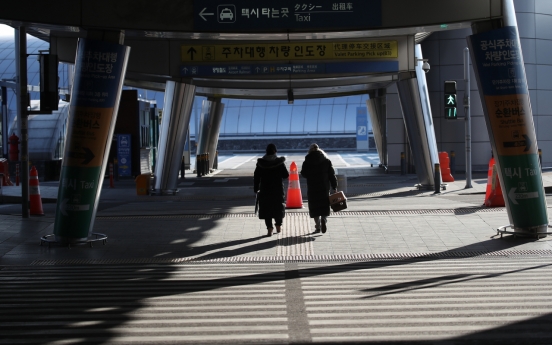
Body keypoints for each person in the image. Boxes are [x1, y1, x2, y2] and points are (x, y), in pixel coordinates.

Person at [300, 143, 337, 234]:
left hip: (312, 188)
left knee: (314, 207)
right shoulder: (326, 161)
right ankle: (324, 219)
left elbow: (303, 174)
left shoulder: (307, 161)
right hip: (324, 187)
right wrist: (334, 186)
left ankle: (317, 226)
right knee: (324, 205)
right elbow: (332, 175)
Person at [254, 143, 289, 237]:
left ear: (266, 152)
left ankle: (269, 228)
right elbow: (286, 175)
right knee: (278, 207)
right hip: (277, 189)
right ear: (275, 151)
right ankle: (278, 225)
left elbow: (256, 177)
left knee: (266, 208)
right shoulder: (279, 162)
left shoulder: (261, 163)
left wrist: (256, 188)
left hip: (265, 189)